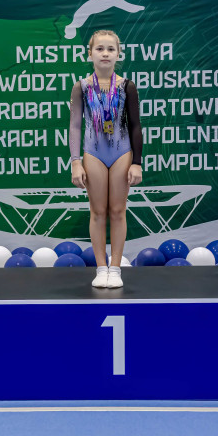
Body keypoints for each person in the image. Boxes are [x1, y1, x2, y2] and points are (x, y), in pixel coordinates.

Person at [68, 30, 143, 288]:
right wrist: (75, 161)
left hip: (122, 153)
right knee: (98, 211)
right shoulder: (81, 87)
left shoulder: (126, 86)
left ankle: (116, 268)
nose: (105, 53)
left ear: (118, 54)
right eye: (99, 49)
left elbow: (135, 125)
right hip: (93, 153)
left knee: (118, 211)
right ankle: (101, 268)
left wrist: (137, 162)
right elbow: (75, 126)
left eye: (111, 49)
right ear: (90, 53)